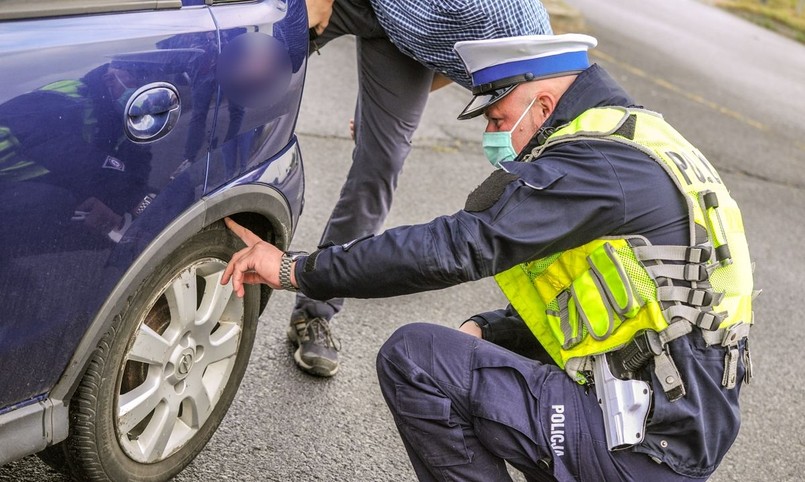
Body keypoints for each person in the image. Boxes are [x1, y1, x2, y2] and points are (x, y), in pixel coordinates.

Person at [222, 33, 755, 481]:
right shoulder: (640, 142)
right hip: (677, 425)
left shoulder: (595, 163)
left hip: (644, 441)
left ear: (542, 106)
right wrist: (492, 329)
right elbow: (618, 304)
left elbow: (458, 246)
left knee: (416, 358)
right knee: (473, 358)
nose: (493, 138)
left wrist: (297, 269)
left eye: (499, 119)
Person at [291, 0, 553, 377]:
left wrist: (386, 106)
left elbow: (451, 59)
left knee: (381, 163)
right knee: (253, 59)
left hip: (408, 38)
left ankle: (315, 310)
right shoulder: (504, 25)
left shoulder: (512, 49)